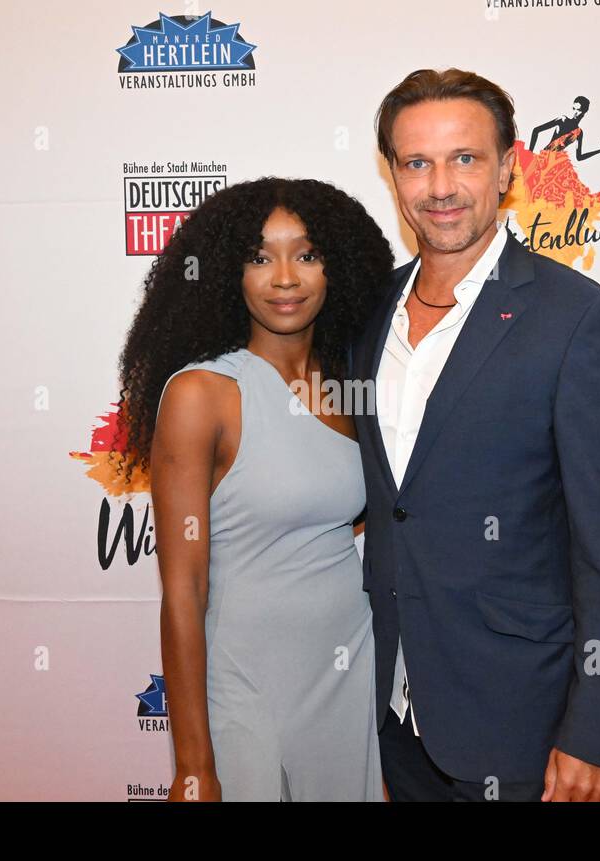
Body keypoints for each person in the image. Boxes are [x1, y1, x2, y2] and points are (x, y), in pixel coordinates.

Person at [353, 68, 600, 801]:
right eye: (417, 162)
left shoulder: (576, 317)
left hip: (522, 719)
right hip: (391, 712)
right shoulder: (366, 312)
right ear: (392, 175)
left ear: (510, 166)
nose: (441, 186)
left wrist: (597, 729)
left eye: (465, 158)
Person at [115, 177, 394, 801]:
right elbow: (183, 589)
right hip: (244, 678)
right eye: (260, 257)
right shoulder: (202, 394)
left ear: (338, 266)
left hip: (348, 667)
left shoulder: (354, 386)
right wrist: (191, 764)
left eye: (308, 254)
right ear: (227, 273)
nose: (286, 278)